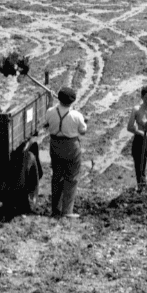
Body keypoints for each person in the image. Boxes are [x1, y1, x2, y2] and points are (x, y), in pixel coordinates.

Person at [45, 86, 87, 218]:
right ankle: (67, 211)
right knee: (71, 177)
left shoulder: (50, 111)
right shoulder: (76, 115)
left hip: (55, 145)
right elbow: (83, 131)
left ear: (59, 98)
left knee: (56, 176)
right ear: (72, 101)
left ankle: (55, 210)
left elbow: (47, 123)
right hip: (71, 147)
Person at [125, 86, 147, 193]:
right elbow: (129, 127)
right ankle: (142, 189)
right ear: (142, 97)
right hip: (140, 140)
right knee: (140, 167)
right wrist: (140, 132)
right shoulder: (137, 109)